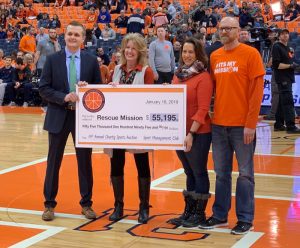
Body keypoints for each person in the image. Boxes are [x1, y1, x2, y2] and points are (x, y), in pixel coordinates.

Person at [199, 17, 265, 235]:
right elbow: (211, 89)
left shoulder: (251, 54)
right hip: (219, 125)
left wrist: (250, 123)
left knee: (245, 174)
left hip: (242, 127)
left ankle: (245, 218)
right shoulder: (215, 56)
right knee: (221, 173)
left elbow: (256, 92)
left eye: (229, 28)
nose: (224, 31)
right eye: (221, 29)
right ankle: (219, 215)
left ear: (238, 31)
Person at [39, 21, 101, 221]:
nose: (73, 37)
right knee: (53, 162)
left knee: (85, 162)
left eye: (77, 34)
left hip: (83, 119)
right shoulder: (52, 59)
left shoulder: (92, 61)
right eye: (70, 34)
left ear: (83, 39)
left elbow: (98, 90)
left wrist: (87, 87)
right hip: (59, 114)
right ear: (64, 36)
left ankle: (86, 204)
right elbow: (43, 88)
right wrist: (64, 97)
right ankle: (49, 204)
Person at [106, 33, 154, 224]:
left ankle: (144, 206)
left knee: (141, 164)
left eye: (133, 47)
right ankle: (118, 205)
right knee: (116, 164)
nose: (129, 51)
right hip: (118, 126)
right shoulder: (115, 70)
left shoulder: (146, 72)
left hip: (138, 126)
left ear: (140, 50)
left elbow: (150, 101)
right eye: (127, 47)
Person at [168, 37, 213, 228]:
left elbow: (203, 109)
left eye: (190, 52)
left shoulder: (203, 77)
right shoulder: (178, 75)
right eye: (184, 52)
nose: (186, 55)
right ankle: (188, 212)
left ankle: (199, 214)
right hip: (179, 131)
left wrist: (191, 134)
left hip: (198, 133)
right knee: (188, 172)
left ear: (197, 54)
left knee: (199, 172)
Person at [272, 28, 300, 133]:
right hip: (282, 78)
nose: (285, 36)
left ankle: (278, 124)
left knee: (282, 102)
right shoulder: (276, 46)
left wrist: (295, 65)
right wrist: (290, 66)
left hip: (288, 77)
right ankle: (291, 126)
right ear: (279, 36)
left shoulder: (288, 47)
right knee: (288, 102)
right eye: (282, 34)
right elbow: (276, 65)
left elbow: (291, 59)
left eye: (286, 34)